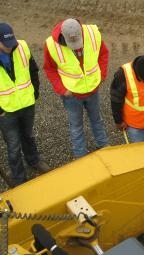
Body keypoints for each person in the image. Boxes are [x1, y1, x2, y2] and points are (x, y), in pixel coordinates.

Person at [44, 18, 109, 159]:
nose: (77, 46)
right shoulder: (51, 45)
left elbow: (103, 54)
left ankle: (104, 146)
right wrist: (62, 90)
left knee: (97, 120)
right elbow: (49, 69)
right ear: (63, 36)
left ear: (81, 31)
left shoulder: (92, 34)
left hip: (93, 89)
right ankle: (80, 156)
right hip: (71, 95)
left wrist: (102, 75)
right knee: (76, 126)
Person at [0, 23, 50, 186]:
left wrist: (34, 92)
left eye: (11, 41)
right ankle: (19, 178)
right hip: (6, 111)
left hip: (27, 104)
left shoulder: (22, 47)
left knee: (28, 136)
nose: (10, 47)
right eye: (6, 44)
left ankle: (34, 160)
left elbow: (33, 70)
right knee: (13, 146)